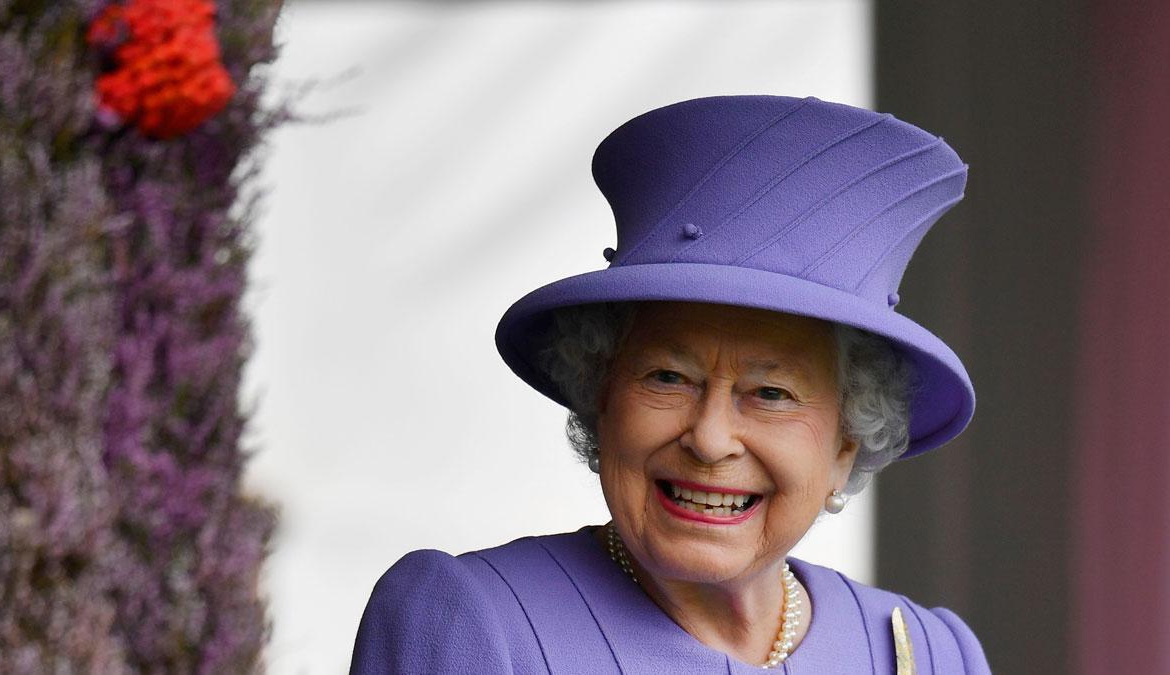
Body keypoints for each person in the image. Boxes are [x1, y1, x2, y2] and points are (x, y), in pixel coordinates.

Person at [350, 95, 991, 673]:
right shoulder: (475, 625)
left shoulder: (924, 653)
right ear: (600, 400)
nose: (711, 439)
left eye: (770, 393)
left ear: (846, 443)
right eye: (667, 377)